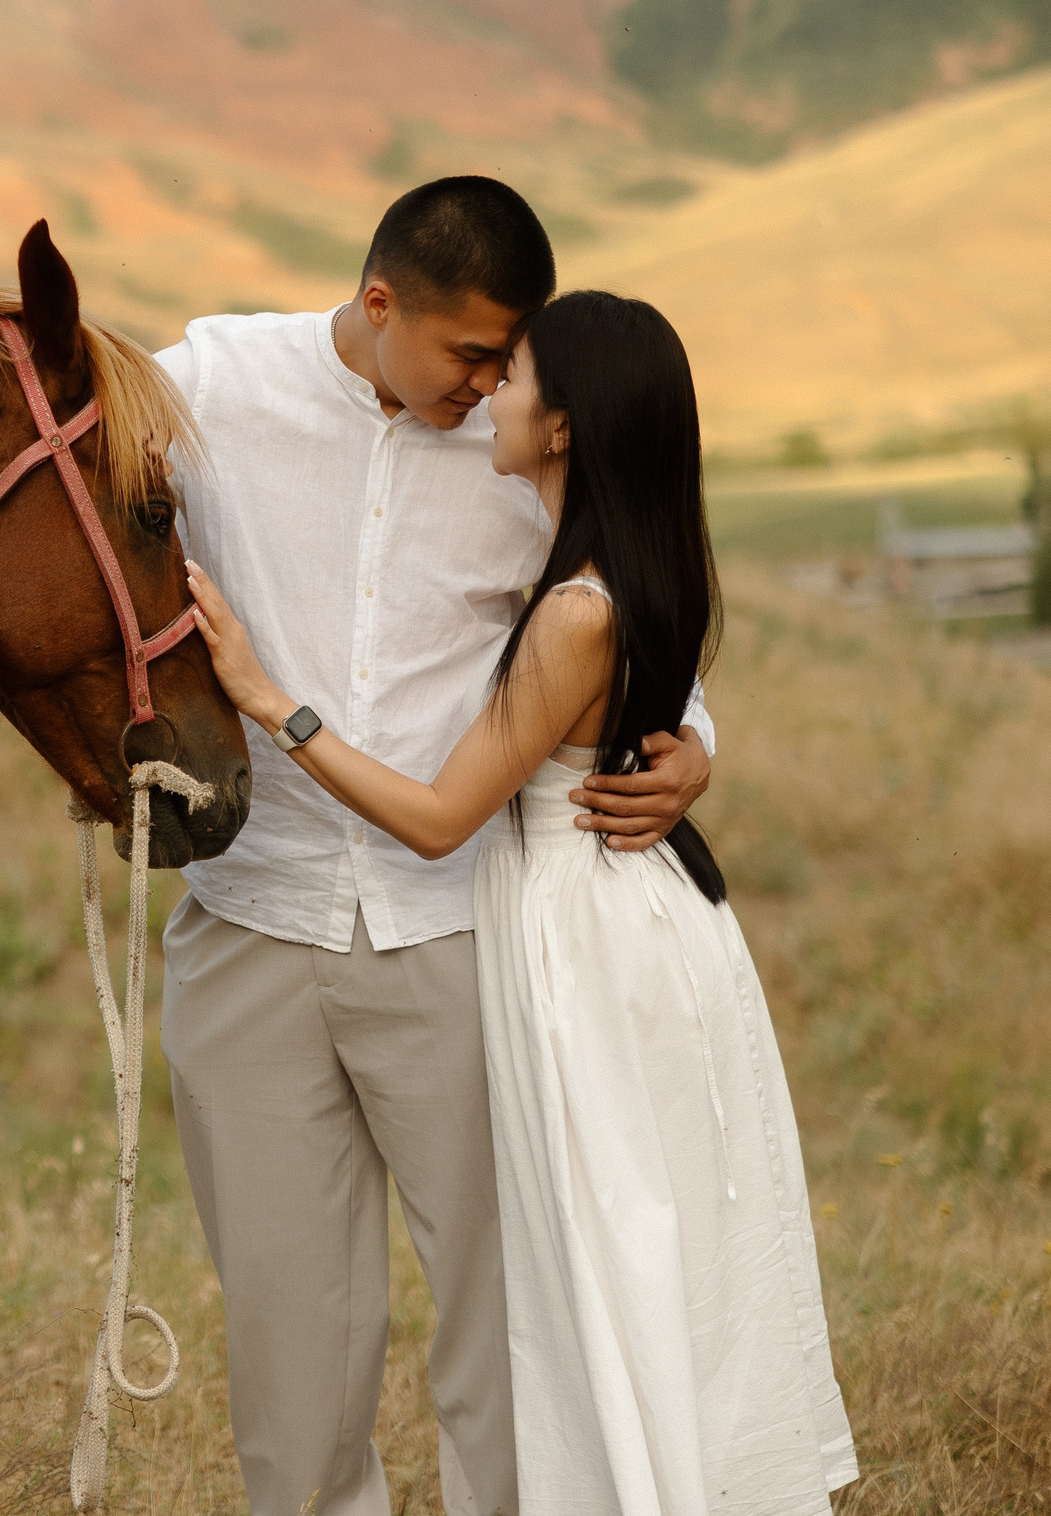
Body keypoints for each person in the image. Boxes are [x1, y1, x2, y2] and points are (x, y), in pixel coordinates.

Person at [182, 289, 857, 1514]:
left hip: (541, 934)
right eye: (479, 358)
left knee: (562, 1280)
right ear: (383, 301)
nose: (490, 386)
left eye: (514, 370)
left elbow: (452, 811)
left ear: (564, 426)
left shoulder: (566, 588)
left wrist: (266, 698)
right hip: (482, 919)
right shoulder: (224, 381)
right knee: (603, 1257)